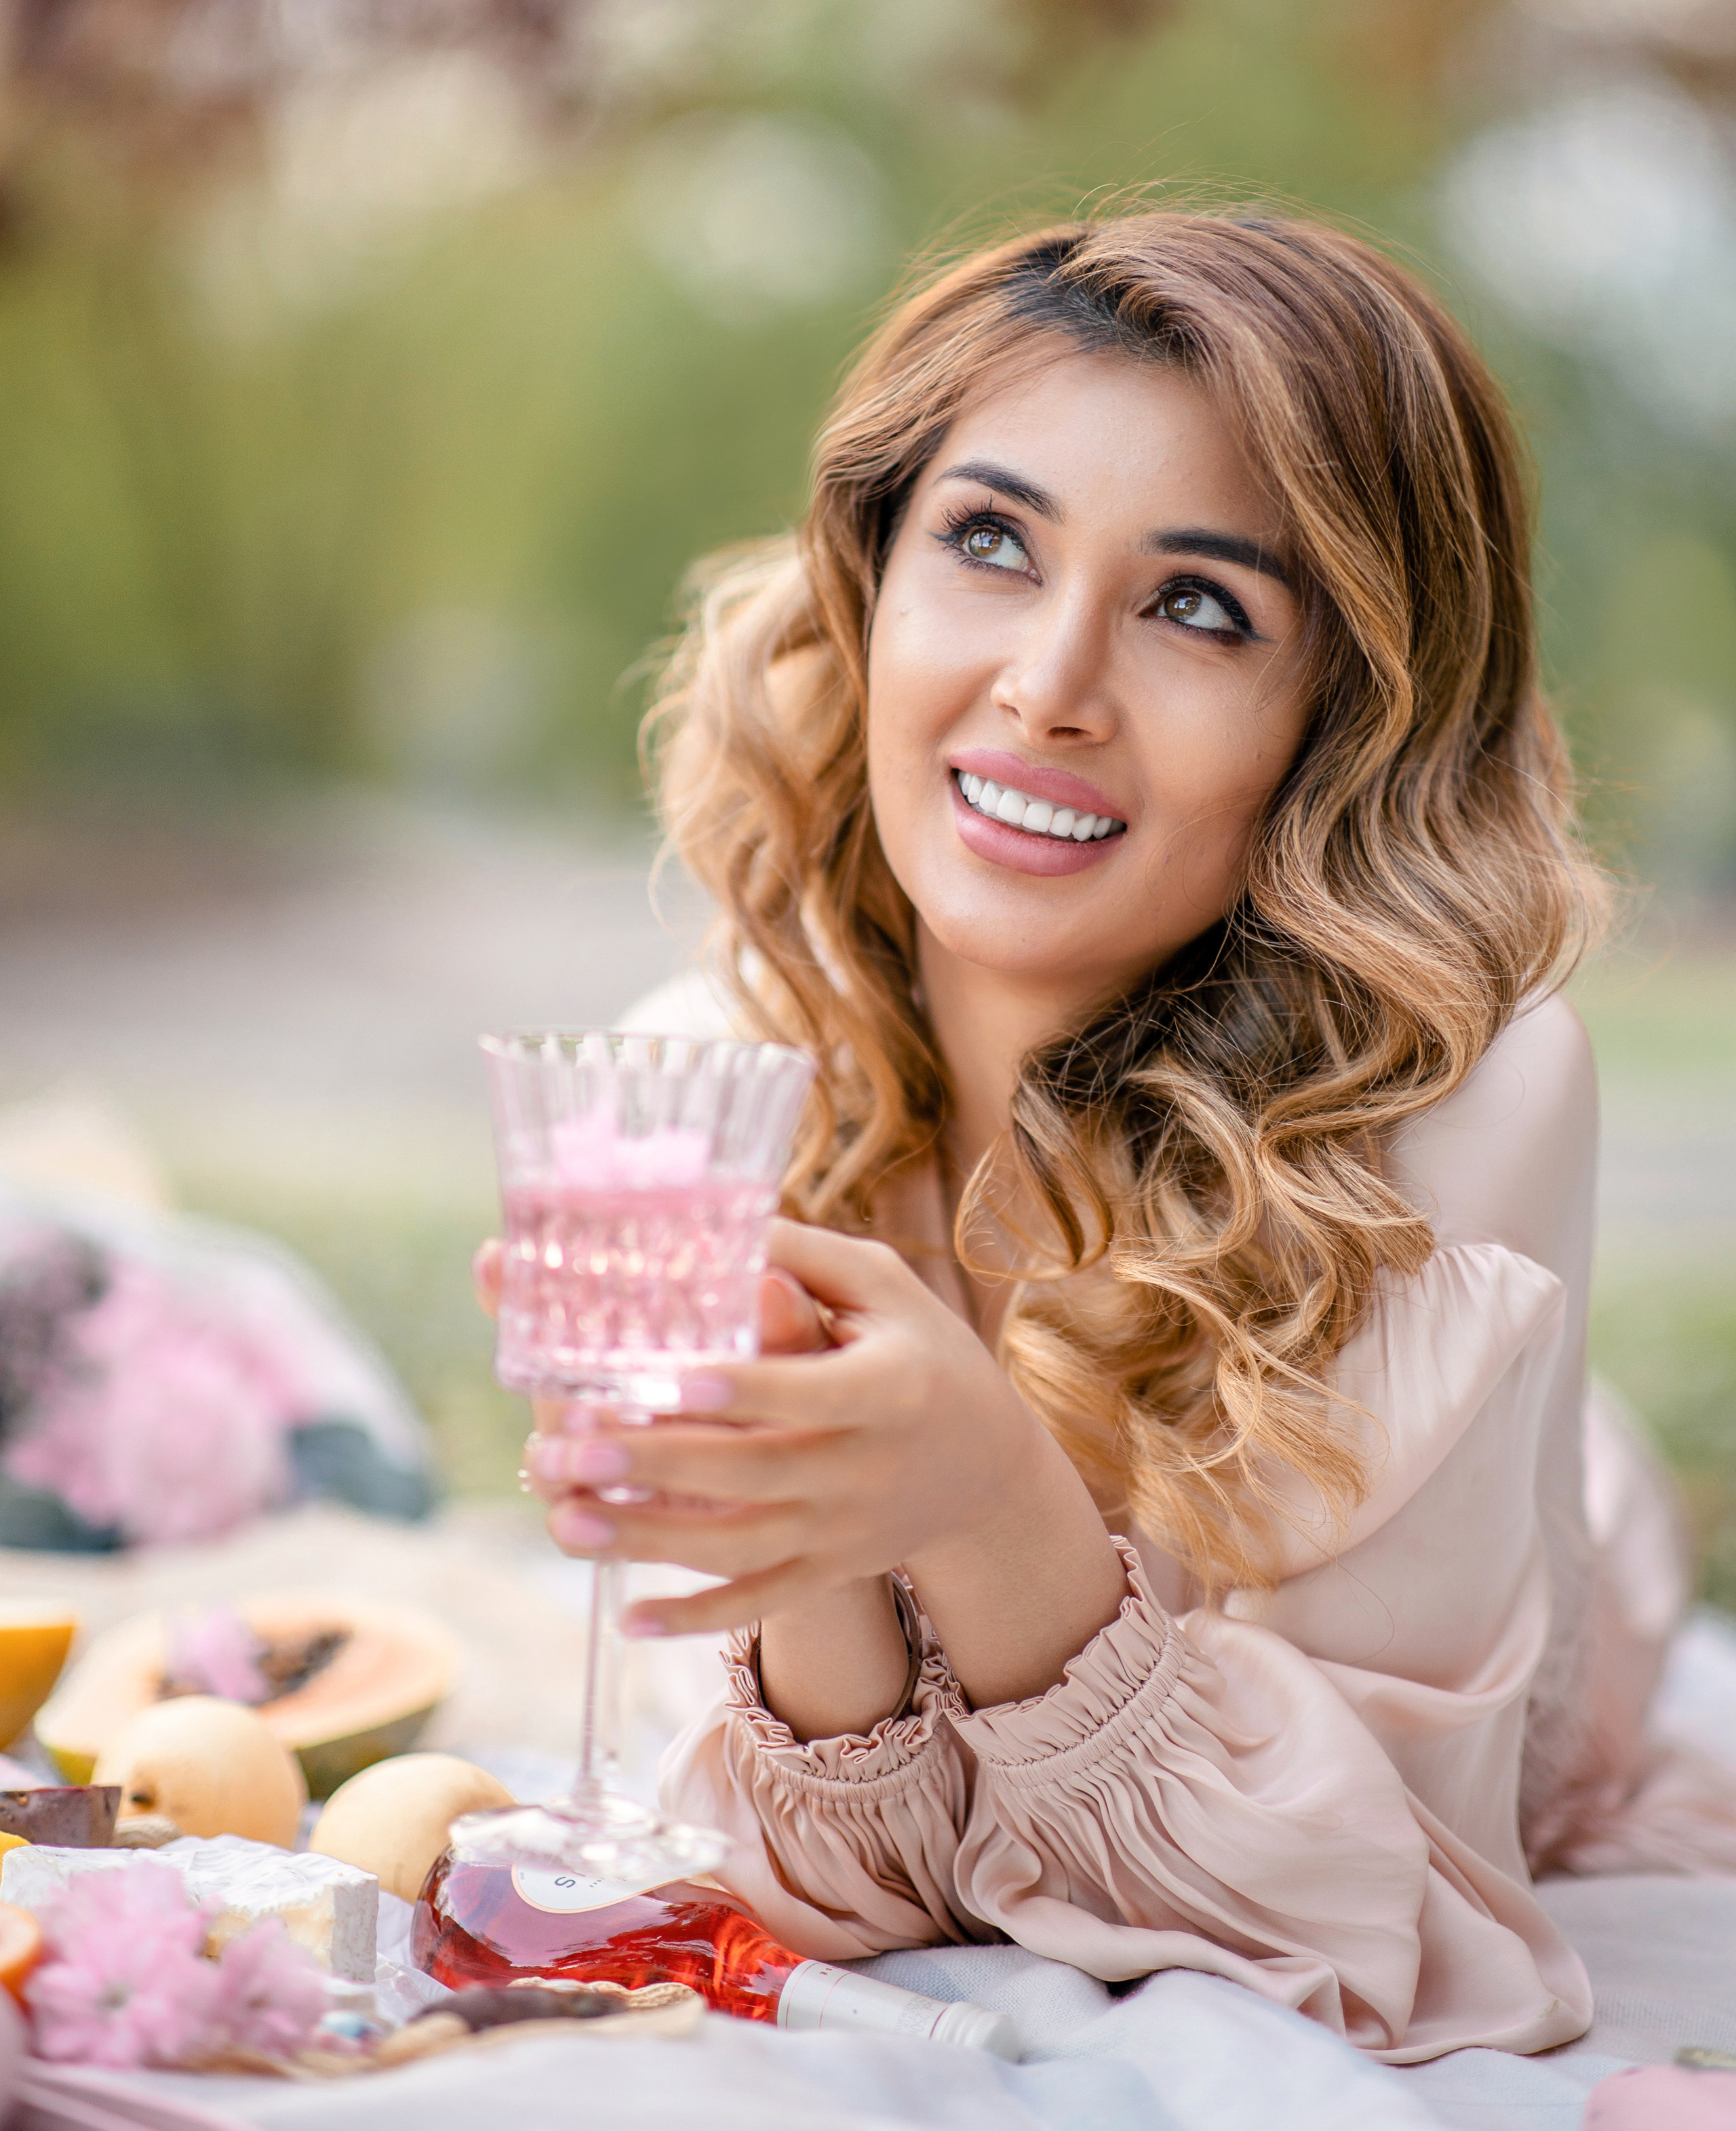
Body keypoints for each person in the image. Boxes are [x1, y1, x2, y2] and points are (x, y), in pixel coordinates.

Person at [496, 208, 1736, 2064]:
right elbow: (865, 1891)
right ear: (870, 577)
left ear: (1348, 718)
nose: (1051, 685)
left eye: (1199, 606)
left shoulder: (1465, 1096)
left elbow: (1380, 1918)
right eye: (991, 542)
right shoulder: (715, 1078)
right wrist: (818, 1541)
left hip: (1534, 1568)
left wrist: (987, 1504)